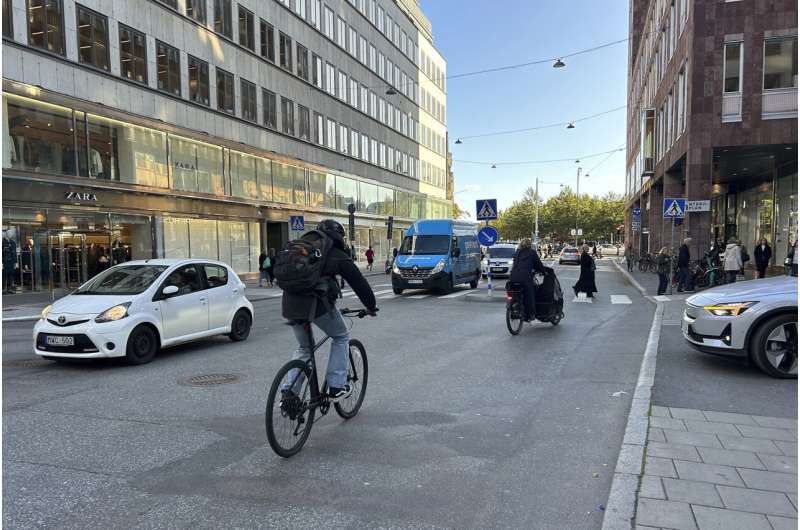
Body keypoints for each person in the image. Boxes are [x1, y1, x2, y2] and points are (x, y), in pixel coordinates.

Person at [281, 220, 378, 401]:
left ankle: (289, 392)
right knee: (341, 336)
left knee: (304, 347)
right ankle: (336, 387)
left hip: (290, 304)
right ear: (339, 237)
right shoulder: (335, 253)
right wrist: (371, 306)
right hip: (315, 305)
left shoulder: (304, 248)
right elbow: (358, 282)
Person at [508, 238, 545, 321]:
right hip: (525, 278)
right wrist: (543, 271)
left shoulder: (517, 252)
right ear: (530, 245)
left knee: (513, 292)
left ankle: (513, 306)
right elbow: (538, 264)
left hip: (513, 277)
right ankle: (531, 314)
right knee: (530, 294)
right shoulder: (532, 252)